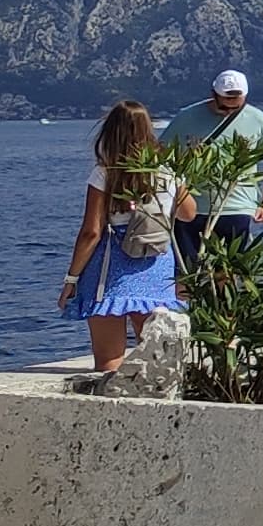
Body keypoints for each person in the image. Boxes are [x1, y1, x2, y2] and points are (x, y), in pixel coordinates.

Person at [59, 101, 193, 374]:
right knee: (158, 362)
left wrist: (71, 280)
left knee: (109, 363)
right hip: (157, 268)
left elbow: (91, 232)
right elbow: (189, 214)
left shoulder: (105, 173)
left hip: (111, 270)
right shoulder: (168, 172)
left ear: (110, 133)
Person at [158, 69, 263, 261]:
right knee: (186, 272)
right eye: (225, 108)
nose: (229, 113)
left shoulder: (257, 119)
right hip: (191, 208)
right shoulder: (187, 117)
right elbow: (160, 153)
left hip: (236, 206)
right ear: (213, 95)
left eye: (236, 109)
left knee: (226, 271)